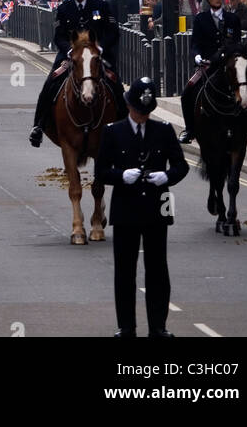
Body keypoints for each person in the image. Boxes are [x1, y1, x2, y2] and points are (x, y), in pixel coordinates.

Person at [95, 76, 188, 338]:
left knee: (158, 269)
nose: (141, 116)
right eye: (138, 112)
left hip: (158, 206)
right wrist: (120, 176)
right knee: (125, 271)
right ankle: (126, 327)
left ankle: (158, 327)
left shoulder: (164, 130)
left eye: (145, 112)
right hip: (126, 208)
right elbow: (101, 171)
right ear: (129, 107)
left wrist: (167, 177)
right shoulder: (113, 132)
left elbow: (181, 166)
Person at [29, 0, 124, 146]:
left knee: (116, 84)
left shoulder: (101, 6)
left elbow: (113, 32)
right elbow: (58, 36)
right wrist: (69, 51)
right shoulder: (64, 9)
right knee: (51, 83)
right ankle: (39, 126)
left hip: (97, 56)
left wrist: (100, 47)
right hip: (71, 56)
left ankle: (126, 128)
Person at [179, 0, 247, 141]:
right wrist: (197, 56)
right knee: (187, 92)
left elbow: (237, 42)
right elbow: (195, 43)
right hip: (208, 64)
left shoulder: (232, 18)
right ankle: (190, 129)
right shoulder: (200, 19)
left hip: (230, 63)